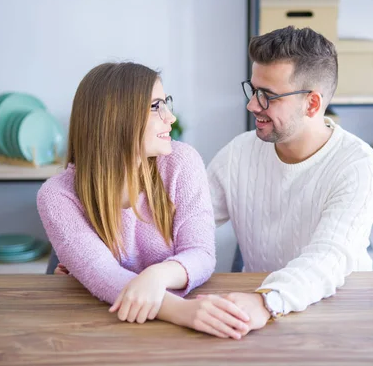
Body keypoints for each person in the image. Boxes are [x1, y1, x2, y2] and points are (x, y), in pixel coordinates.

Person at [37, 62, 250, 340]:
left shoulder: (181, 162)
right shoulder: (57, 196)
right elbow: (103, 274)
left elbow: (201, 254)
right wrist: (184, 312)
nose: (170, 117)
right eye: (156, 106)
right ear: (115, 117)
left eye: (166, 103)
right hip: (101, 327)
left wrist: (157, 276)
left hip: (148, 321)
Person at [204, 26, 373, 334]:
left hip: (336, 313)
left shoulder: (358, 165)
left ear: (312, 104)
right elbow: (185, 223)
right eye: (253, 90)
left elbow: (327, 258)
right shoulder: (238, 154)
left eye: (268, 97)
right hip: (261, 308)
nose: (252, 106)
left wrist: (266, 302)